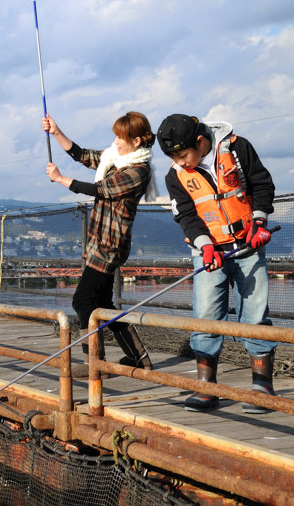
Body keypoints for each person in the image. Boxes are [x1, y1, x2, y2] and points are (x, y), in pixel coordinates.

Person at [157, 114, 276, 413]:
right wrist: (205, 246)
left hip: (247, 247)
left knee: (255, 314)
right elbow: (186, 215)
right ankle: (206, 387)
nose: (181, 163)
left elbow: (263, 184)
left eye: (183, 155)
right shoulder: (176, 175)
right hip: (210, 253)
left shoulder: (238, 149)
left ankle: (261, 387)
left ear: (200, 142)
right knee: (206, 316)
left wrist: (259, 220)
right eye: (174, 158)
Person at [42, 112, 159, 377]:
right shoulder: (115, 158)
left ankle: (93, 364)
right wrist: (56, 132)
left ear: (137, 141)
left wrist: (62, 180)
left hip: (110, 245)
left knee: (82, 301)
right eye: (116, 135)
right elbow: (83, 155)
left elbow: (102, 189)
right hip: (99, 241)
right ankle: (139, 359)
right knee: (102, 303)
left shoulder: (138, 171)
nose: (116, 141)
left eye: (122, 137)